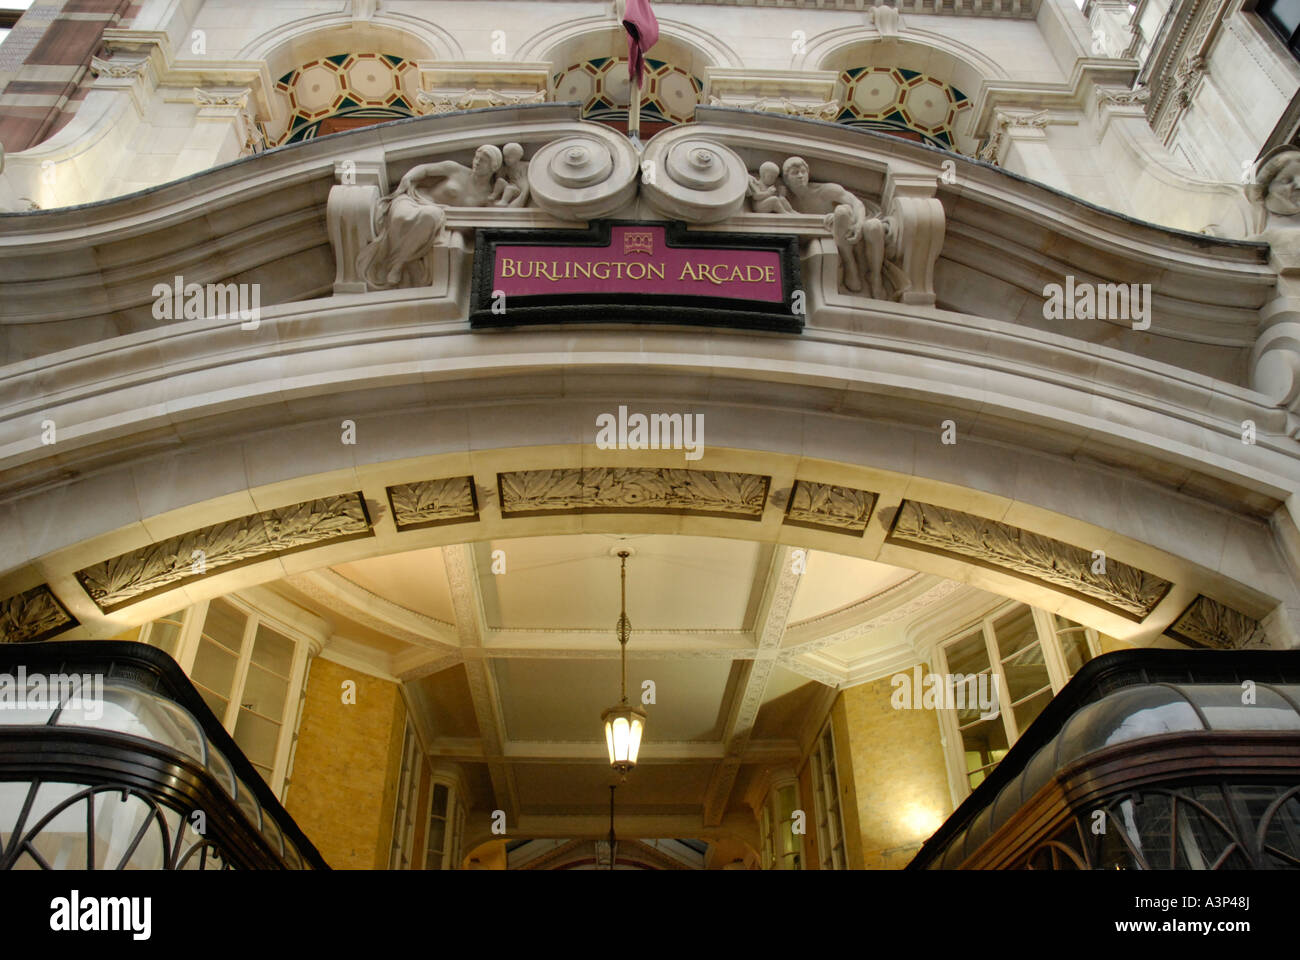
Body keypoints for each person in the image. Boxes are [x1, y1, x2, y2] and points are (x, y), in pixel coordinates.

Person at [357, 144, 505, 288]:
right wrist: (408, 177)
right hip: (414, 200)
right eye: (476, 157)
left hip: (434, 216)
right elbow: (425, 170)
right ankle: (390, 258)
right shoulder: (455, 169)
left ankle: (397, 265)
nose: (477, 162)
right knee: (402, 218)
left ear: (494, 166)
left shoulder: (487, 196)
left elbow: (473, 227)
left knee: (431, 216)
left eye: (483, 160)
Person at [780, 156, 888, 298]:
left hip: (853, 227)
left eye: (803, 171)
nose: (801, 176)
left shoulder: (825, 191)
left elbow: (856, 203)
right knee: (841, 213)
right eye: (795, 173)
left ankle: (875, 278)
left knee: (851, 216)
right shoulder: (787, 199)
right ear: (786, 180)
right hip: (833, 239)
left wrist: (858, 224)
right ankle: (850, 266)